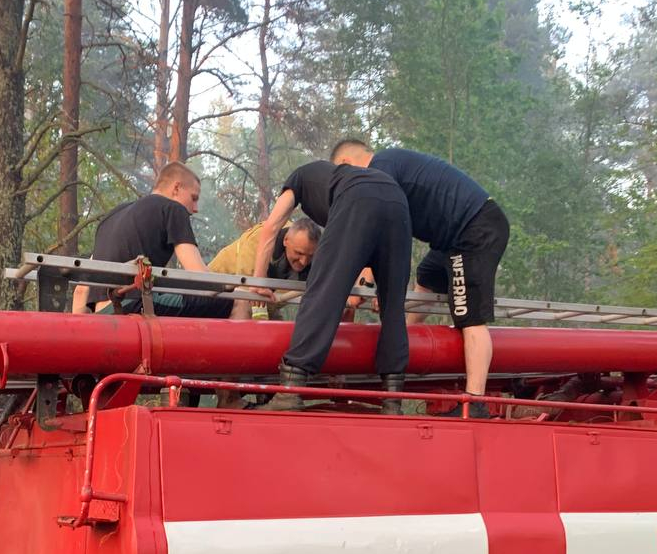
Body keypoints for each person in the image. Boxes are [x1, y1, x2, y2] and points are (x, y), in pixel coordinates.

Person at [330, 140, 509, 418]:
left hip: (474, 229)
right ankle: (405, 342)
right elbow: (390, 237)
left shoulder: (381, 167)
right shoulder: (389, 166)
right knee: (427, 275)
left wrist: (365, 283)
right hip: (451, 239)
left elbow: (375, 229)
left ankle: (475, 403)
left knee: (467, 314)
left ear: (346, 165)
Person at [252, 160, 412, 413]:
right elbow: (366, 242)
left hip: (358, 197)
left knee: (323, 290)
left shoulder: (298, 177)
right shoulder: (341, 178)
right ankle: (393, 400)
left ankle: (291, 389)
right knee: (393, 308)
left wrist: (258, 282)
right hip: (399, 203)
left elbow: (271, 227)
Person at [72, 162, 254, 319]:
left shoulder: (110, 217)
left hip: (102, 314)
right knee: (240, 300)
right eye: (194, 198)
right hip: (134, 303)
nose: (196, 208)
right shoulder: (172, 208)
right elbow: (200, 276)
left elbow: (81, 290)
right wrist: (242, 286)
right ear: (176, 188)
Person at [209, 217, 321, 281]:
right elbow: (248, 289)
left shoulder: (315, 264)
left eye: (310, 256)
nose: (304, 262)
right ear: (285, 240)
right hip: (215, 287)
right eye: (298, 253)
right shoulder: (260, 241)